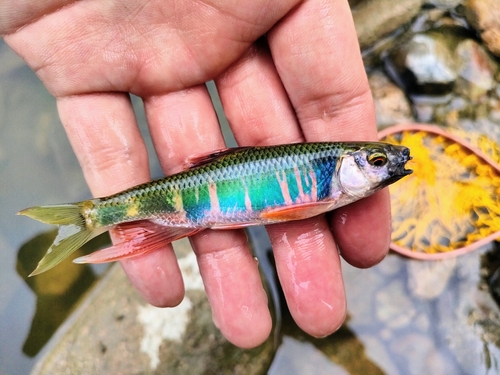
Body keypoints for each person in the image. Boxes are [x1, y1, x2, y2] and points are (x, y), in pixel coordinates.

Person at [1, 0, 391, 348]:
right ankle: (93, 216)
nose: (385, 166)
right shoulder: (326, 181)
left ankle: (96, 216)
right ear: (346, 163)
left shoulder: (328, 176)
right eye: (376, 161)